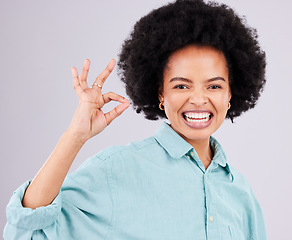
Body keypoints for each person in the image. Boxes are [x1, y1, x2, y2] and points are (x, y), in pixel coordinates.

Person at [4, 0, 267, 239]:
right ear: (160, 93)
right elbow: (27, 231)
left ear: (230, 93)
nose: (198, 99)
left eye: (214, 86)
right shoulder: (116, 171)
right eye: (181, 86)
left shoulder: (241, 193)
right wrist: (75, 136)